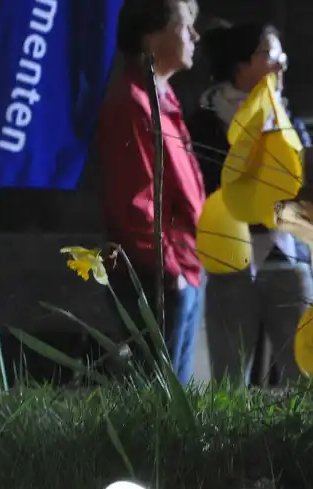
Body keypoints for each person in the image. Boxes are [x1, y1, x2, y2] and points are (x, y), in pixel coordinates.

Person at [187, 22, 313, 386]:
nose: (281, 65)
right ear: (240, 65)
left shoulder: (288, 118)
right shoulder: (205, 123)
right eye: (271, 55)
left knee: (305, 381)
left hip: (289, 262)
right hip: (231, 268)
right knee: (229, 385)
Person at [96, 0, 205, 385]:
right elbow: (135, 206)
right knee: (158, 399)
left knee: (176, 394)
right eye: (185, 24)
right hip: (156, 275)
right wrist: (171, 272)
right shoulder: (132, 103)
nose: (194, 35)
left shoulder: (162, 95)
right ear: (151, 36)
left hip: (181, 266)